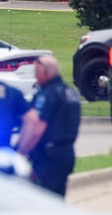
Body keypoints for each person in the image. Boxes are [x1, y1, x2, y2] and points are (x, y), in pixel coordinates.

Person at [17, 55, 82, 196]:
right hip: (66, 153)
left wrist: (22, 151)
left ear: (46, 73)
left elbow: (37, 130)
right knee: (58, 196)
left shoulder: (48, 94)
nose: (36, 77)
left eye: (37, 73)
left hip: (48, 156)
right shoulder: (70, 92)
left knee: (44, 198)